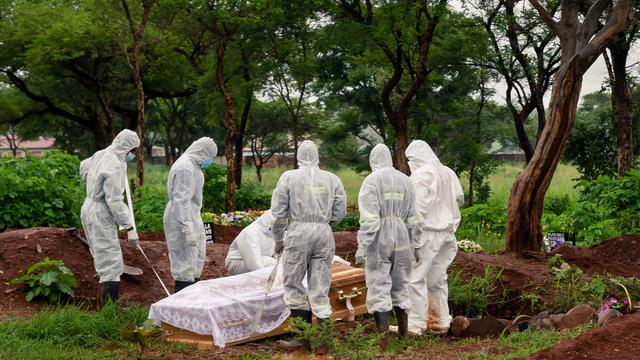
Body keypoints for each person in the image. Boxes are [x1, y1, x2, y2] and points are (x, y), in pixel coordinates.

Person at [270, 140, 346, 346]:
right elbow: (340, 211)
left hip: (298, 231)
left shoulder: (288, 177)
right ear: (318, 156)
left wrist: (278, 239)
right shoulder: (332, 179)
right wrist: (325, 224)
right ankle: (323, 340)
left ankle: (302, 338)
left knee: (294, 283)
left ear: (298, 156)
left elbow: (278, 213)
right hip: (323, 232)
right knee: (320, 284)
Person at [355, 144, 422, 341]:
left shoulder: (371, 181)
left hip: (380, 235)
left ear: (373, 159)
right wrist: (416, 244)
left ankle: (383, 339)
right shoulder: (405, 180)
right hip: (402, 234)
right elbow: (414, 215)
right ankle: (403, 334)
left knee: (378, 282)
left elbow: (369, 217)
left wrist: (363, 244)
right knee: (401, 282)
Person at [405, 140, 464, 335]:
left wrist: (411, 233)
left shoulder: (422, 174)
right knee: (437, 279)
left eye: (410, 160)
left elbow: (417, 208)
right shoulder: (448, 172)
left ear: (416, 158)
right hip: (447, 234)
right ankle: (440, 322)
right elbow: (460, 198)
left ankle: (415, 325)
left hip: (428, 233)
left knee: (415, 278)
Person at [80, 129, 140, 305]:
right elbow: (114, 200)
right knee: (111, 263)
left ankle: (104, 306)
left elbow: (84, 166)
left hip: (89, 206)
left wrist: (92, 182)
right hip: (100, 211)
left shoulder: (101, 153)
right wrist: (129, 227)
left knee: (102, 258)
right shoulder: (114, 164)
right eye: (133, 151)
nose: (133, 155)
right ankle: (108, 310)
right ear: (126, 148)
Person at [163, 137, 218, 293]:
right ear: (202, 152)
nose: (209, 161)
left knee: (195, 259)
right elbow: (181, 200)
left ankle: (193, 300)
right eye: (209, 157)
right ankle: (183, 304)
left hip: (191, 215)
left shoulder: (194, 166)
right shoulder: (185, 168)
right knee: (185, 262)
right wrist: (187, 228)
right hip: (181, 218)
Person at [225, 211, 277, 275]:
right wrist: (263, 277)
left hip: (261, 259)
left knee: (279, 264)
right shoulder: (251, 232)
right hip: (237, 261)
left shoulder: (274, 234)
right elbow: (254, 263)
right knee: (273, 264)